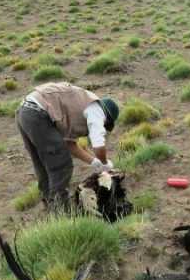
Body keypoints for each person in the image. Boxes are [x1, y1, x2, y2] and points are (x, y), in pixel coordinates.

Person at [16, 82, 119, 211]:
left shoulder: (77, 107)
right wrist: (105, 164)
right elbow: (98, 144)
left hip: (25, 112)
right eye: (105, 125)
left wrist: (95, 162)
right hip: (38, 113)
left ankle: (51, 208)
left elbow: (69, 144)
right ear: (106, 118)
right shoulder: (97, 110)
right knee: (62, 165)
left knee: (43, 167)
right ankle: (61, 212)